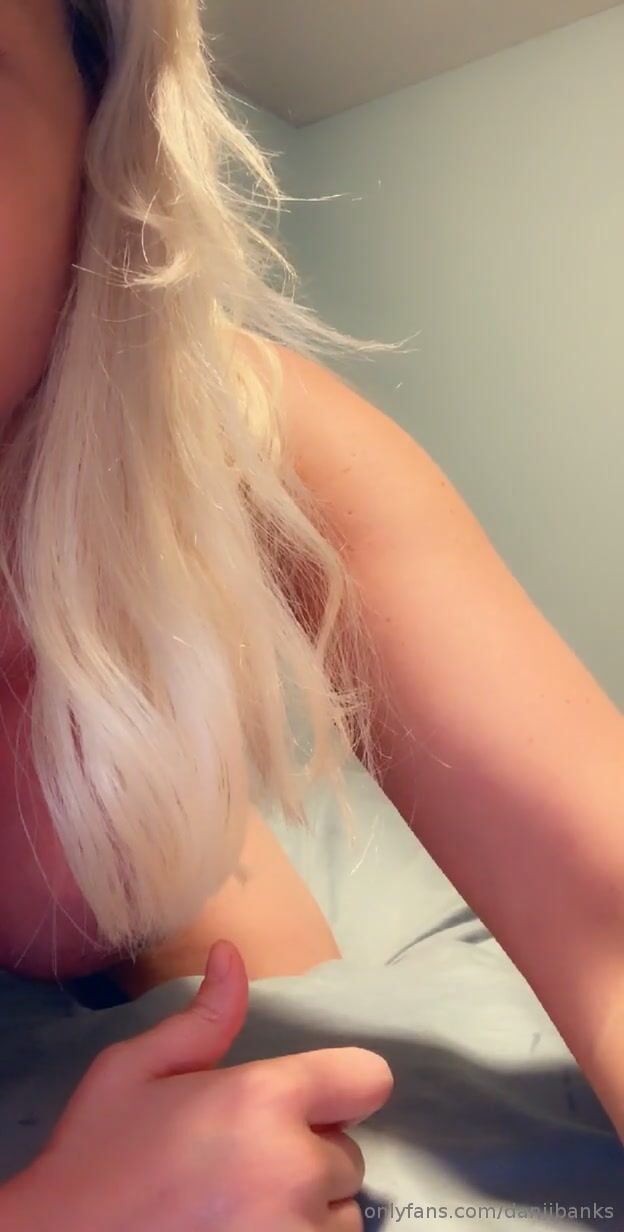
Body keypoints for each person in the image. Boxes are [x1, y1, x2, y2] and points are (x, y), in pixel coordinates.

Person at [0, 0, 622, 1227]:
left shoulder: (216, 418)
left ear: (100, 139)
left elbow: (603, 903)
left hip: (115, 866)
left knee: (301, 1091)